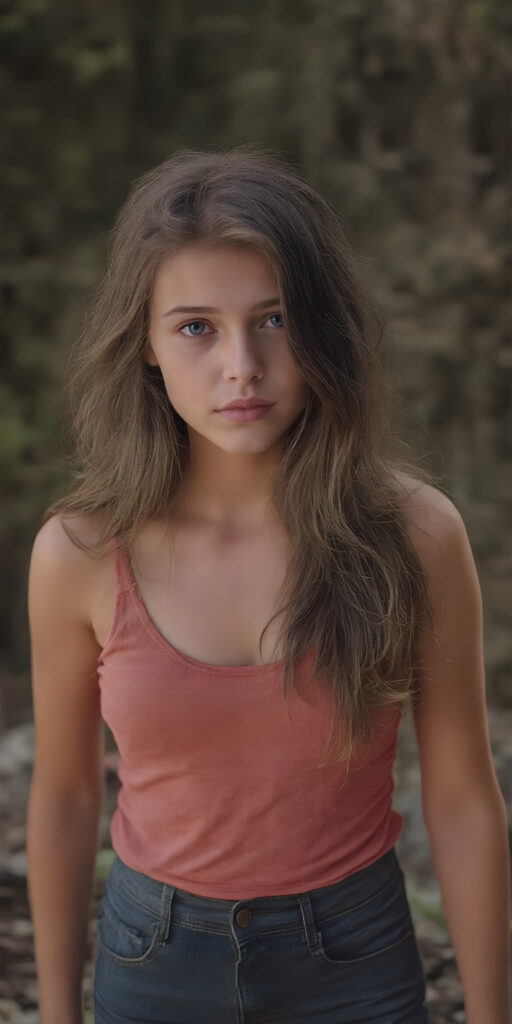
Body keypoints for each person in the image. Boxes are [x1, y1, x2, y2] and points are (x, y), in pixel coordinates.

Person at [26, 145, 510, 1024]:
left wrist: (491, 1014)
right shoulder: (82, 552)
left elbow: (464, 797)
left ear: (323, 328)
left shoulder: (415, 535)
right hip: (153, 958)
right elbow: (62, 794)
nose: (241, 364)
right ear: (145, 344)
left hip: (354, 958)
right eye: (196, 327)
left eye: (276, 319)